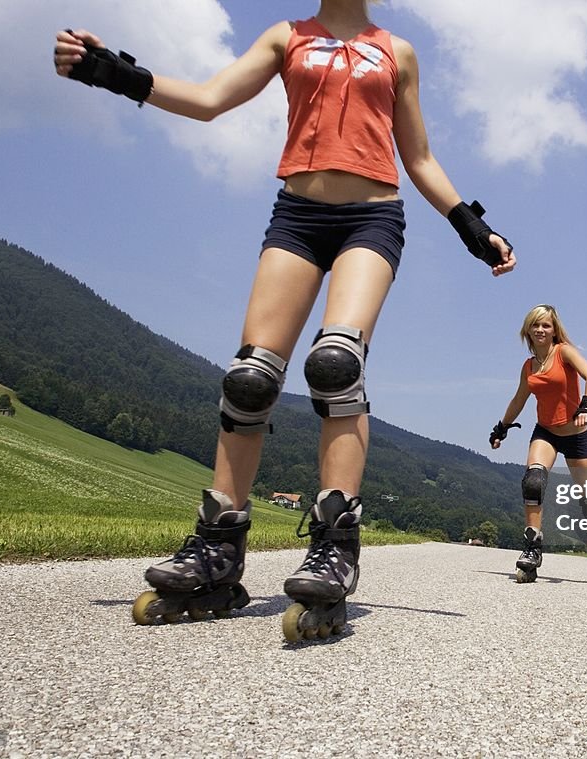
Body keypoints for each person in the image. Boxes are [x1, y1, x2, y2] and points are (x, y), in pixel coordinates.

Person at [54, 0, 515, 638]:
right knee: (249, 378)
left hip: (371, 218)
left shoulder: (398, 51)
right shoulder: (286, 38)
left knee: (335, 365)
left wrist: (473, 228)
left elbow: (420, 158)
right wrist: (113, 72)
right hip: (297, 216)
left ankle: (335, 548)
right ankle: (218, 545)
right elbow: (212, 98)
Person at [489, 305, 587, 585]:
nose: (541, 330)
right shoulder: (529, 366)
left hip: (576, 434)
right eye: (536, 325)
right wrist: (502, 428)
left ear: (554, 330)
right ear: (528, 330)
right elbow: (519, 399)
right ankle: (532, 549)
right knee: (533, 481)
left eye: (546, 325)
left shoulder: (565, 352)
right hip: (545, 432)